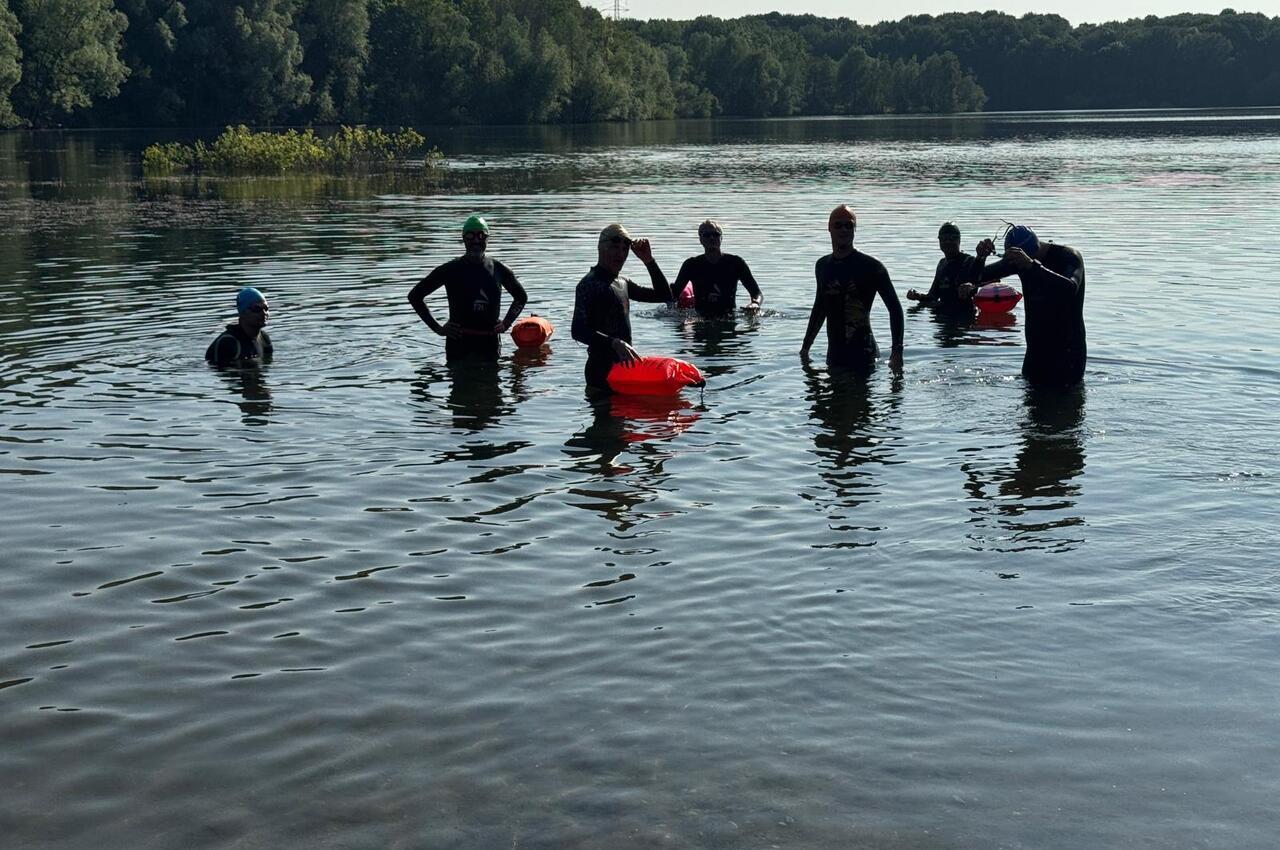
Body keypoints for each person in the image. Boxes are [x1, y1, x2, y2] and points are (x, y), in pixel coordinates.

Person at [968, 224, 1086, 387]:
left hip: (1068, 351)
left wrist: (1032, 266)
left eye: (1024, 262)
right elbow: (975, 278)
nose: (1021, 267)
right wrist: (980, 258)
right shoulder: (1019, 262)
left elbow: (1070, 288)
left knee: (1065, 398)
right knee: (1030, 397)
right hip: (1035, 350)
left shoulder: (1068, 256)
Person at [408, 214, 528, 361]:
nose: (476, 240)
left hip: (489, 345)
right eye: (471, 236)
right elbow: (415, 296)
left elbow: (521, 297)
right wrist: (438, 329)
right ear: (464, 239)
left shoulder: (499, 269)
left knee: (491, 376)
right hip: (458, 346)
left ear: (487, 239)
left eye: (481, 236)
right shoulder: (450, 270)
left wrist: (506, 323)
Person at [800, 205, 905, 372]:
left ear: (855, 229)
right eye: (838, 225)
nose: (843, 230)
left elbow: (895, 309)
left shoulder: (871, 267)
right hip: (834, 357)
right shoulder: (822, 266)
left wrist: (897, 352)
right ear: (829, 227)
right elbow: (820, 307)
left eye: (849, 225)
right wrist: (805, 348)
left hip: (864, 356)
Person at [571, 223, 673, 390]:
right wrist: (614, 343)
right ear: (601, 248)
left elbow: (665, 296)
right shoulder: (589, 284)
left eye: (625, 249)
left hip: (624, 370)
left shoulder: (622, 282)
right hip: (600, 372)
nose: (620, 254)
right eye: (614, 247)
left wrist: (649, 261)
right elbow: (578, 330)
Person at [672, 219, 763, 318]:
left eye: (716, 234)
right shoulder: (691, 265)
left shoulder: (736, 263)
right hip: (701, 319)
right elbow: (673, 295)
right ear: (700, 240)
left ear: (721, 238)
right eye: (707, 235)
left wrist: (755, 303)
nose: (712, 238)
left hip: (729, 318)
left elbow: (757, 293)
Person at [906, 222, 987, 313]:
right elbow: (933, 296)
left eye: (952, 238)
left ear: (959, 240)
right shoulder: (942, 264)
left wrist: (981, 257)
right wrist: (918, 296)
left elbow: (976, 277)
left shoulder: (969, 261)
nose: (947, 242)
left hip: (962, 315)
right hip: (942, 315)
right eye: (943, 239)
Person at [206, 286, 273, 366]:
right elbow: (215, 369)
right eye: (257, 309)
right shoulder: (228, 343)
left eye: (266, 308)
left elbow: (267, 364)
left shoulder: (264, 338)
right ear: (242, 312)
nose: (264, 313)